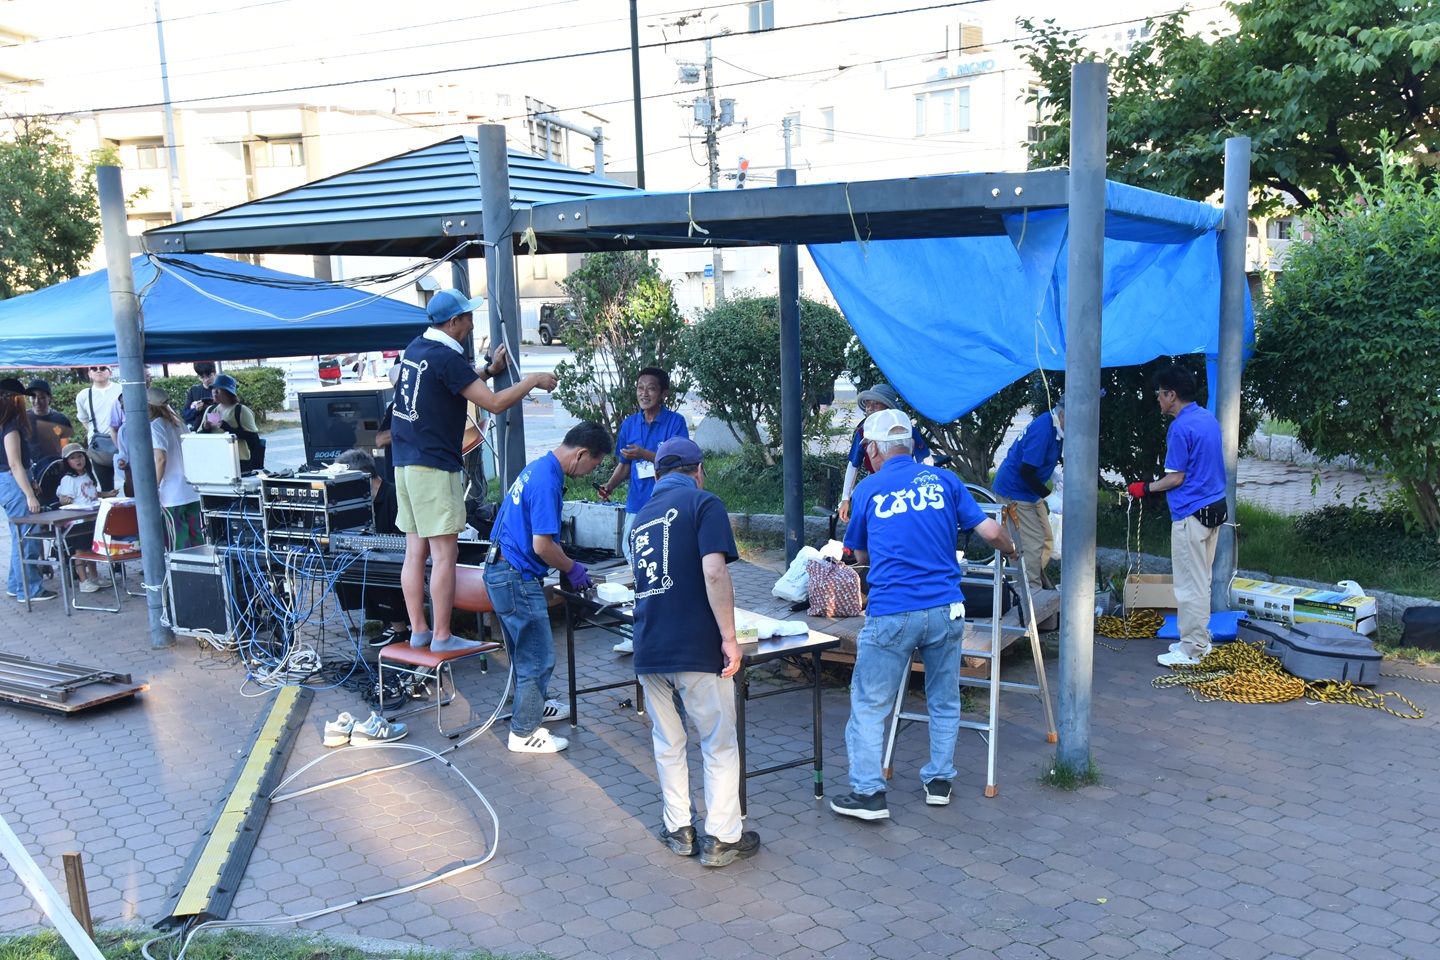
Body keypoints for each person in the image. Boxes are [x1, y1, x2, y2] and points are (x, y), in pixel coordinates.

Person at [830, 408, 1017, 821]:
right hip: (946, 609)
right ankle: (939, 782)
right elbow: (991, 532)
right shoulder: (945, 480)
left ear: (874, 449)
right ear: (911, 445)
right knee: (944, 697)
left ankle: (868, 794)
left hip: (892, 612)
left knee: (870, 703)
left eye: (867, 449)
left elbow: (859, 554)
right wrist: (1013, 549)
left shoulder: (868, 489)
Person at [391, 287, 557, 656]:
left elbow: (450, 381)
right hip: (434, 466)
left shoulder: (418, 347)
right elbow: (494, 403)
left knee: (414, 552)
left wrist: (488, 370)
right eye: (467, 317)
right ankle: (442, 634)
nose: (470, 324)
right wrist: (531, 380)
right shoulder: (447, 358)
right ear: (453, 322)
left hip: (404, 464)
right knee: (444, 554)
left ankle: (419, 631)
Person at [629, 436, 760, 867]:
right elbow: (714, 571)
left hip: (649, 647)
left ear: (657, 475)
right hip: (695, 647)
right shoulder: (704, 503)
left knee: (668, 741)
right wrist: (729, 638)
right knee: (718, 741)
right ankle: (722, 838)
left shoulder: (640, 518)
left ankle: (679, 829)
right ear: (698, 471)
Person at [484, 421, 613, 754]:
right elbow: (542, 546)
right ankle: (524, 732)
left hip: (500, 569)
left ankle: (533, 706)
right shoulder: (546, 482)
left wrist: (564, 563)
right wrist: (571, 567)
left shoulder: (538, 468)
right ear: (581, 453)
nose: (590, 472)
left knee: (524, 654)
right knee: (538, 658)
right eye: (594, 464)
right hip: (515, 576)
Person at [1128, 366, 1227, 668]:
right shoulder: (1207, 418)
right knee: (1202, 580)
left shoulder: (1180, 428)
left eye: (1160, 393)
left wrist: (1144, 488)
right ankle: (1198, 641)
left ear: (1171, 395)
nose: (1157, 399)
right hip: (1215, 508)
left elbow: (1175, 478)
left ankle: (1191, 650)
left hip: (1191, 515)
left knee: (1188, 586)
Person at [597, 366, 689, 654]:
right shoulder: (629, 424)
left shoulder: (675, 422)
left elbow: (681, 461)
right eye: (640, 387)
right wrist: (610, 485)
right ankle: (638, 631)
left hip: (667, 503)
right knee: (634, 557)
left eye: (651, 388)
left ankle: (669, 626)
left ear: (663, 394)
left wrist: (646, 454)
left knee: (666, 563)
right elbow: (625, 464)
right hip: (638, 503)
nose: (644, 393)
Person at [334, 449, 409, 648]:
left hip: (401, 559)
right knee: (349, 567)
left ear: (362, 477)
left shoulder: (394, 495)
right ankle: (390, 621)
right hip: (381, 556)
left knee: (372, 570)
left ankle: (401, 629)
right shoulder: (360, 500)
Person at [992, 398, 1065, 592]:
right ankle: (1029, 593)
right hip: (1015, 490)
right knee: (1031, 544)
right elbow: (1026, 471)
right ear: (1063, 414)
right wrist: (1049, 497)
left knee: (1046, 538)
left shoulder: (1053, 425)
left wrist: (1052, 475)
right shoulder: (1043, 430)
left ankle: (1032, 582)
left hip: (1030, 490)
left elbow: (1036, 458)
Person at [838, 383, 932, 522]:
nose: (870, 408)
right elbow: (853, 464)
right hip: (877, 485)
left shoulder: (906, 429)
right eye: (868, 403)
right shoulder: (863, 432)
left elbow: (925, 458)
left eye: (877, 403)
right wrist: (845, 498)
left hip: (905, 484)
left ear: (888, 407)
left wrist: (923, 485)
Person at [0, 378, 54, 602]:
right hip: (13, 482)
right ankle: (29, 589)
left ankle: (16, 585)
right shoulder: (10, 426)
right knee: (27, 537)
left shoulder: (6, 424)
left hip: (10, 481)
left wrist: (29, 480)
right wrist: (30, 495)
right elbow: (14, 464)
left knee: (19, 536)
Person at [54, 442, 115, 593]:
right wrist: (65, 500)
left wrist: (107, 494)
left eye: (80, 456)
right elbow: (64, 498)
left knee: (92, 548)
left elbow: (91, 493)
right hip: (76, 521)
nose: (78, 460)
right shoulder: (68, 479)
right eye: (73, 458)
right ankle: (83, 580)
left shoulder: (88, 474)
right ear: (67, 462)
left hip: (91, 518)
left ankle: (94, 576)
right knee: (81, 551)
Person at [149, 387, 203, 551]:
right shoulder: (178, 423)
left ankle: (183, 567)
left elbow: (160, 459)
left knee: (178, 543)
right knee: (197, 538)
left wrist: (154, 486)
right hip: (190, 489)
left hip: (171, 493)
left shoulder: (155, 425)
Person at [197, 374, 263, 472]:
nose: (214, 392)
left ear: (228, 392)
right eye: (213, 388)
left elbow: (253, 438)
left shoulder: (241, 410)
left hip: (240, 461)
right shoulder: (210, 410)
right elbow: (199, 436)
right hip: (216, 460)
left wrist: (229, 429)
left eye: (219, 389)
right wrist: (205, 428)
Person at [75, 365, 123, 491]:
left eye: (102, 368)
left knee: (132, 483)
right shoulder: (83, 395)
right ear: (89, 374)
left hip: (123, 443)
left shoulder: (121, 389)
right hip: (99, 448)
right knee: (106, 488)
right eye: (94, 369)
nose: (98, 371)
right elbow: (84, 419)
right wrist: (95, 434)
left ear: (110, 372)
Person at [25, 379, 73, 473]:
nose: (37, 401)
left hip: (54, 466)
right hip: (29, 468)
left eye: (41, 397)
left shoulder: (61, 419)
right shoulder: (23, 418)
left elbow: (64, 446)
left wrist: (63, 463)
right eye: (33, 397)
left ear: (49, 398)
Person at [183, 362, 219, 432]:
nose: (206, 380)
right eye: (202, 377)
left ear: (214, 372)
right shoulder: (194, 390)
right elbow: (185, 414)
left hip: (216, 431)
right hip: (197, 431)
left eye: (209, 376)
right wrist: (196, 410)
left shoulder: (221, 390)